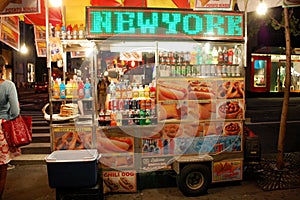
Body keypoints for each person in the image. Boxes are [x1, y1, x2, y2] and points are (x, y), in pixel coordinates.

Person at [0, 55, 21, 199]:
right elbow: (15, 111)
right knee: (1, 170)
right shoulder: (8, 86)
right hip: (1, 129)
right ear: (1, 68)